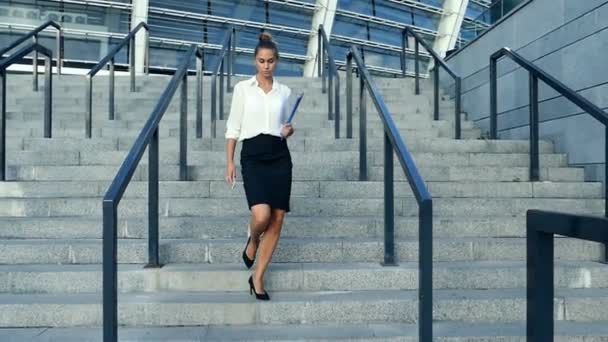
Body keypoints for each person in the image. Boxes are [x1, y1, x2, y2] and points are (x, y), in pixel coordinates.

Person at [224, 32, 295, 301]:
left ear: (277, 62)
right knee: (262, 216)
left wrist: (289, 131)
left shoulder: (284, 92)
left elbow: (285, 125)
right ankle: (253, 240)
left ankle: (258, 277)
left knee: (277, 218)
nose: (266, 66)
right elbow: (233, 127)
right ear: (255, 61)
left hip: (279, 156)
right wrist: (229, 161)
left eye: (271, 61)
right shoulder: (243, 89)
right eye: (261, 61)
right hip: (252, 155)